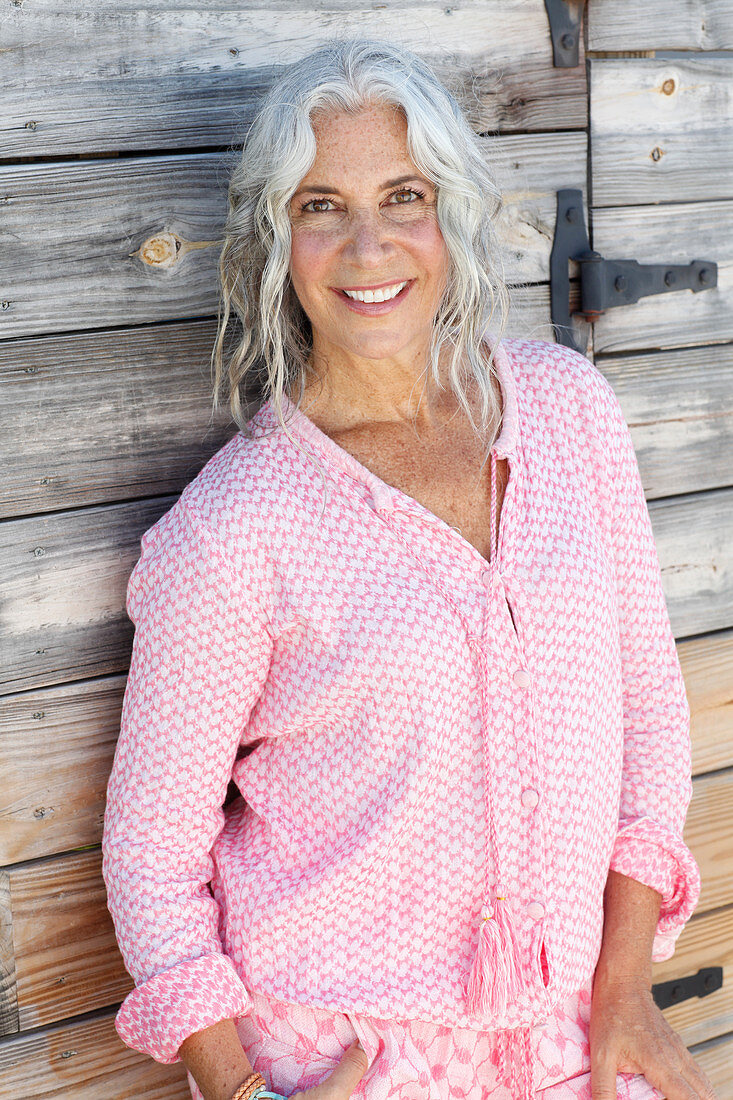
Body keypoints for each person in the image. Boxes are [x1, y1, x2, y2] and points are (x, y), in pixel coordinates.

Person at [101, 39, 716, 1100]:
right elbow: (151, 858)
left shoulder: (568, 411)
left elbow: (649, 711)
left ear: (452, 216)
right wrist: (242, 1091)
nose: (367, 244)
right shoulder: (235, 528)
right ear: (273, 241)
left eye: (402, 196)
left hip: (579, 1023)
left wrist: (622, 986)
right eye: (320, 205)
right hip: (347, 1058)